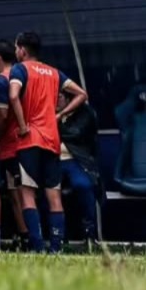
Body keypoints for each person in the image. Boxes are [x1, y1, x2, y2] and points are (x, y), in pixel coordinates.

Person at [7, 31, 88, 253]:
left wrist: (23, 126)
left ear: (22, 50)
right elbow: (81, 94)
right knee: (54, 195)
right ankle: (56, 247)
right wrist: (59, 115)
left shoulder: (20, 69)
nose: (16, 52)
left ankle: (36, 246)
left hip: (29, 140)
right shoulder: (54, 73)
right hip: (52, 140)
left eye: (17, 48)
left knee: (27, 193)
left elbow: (13, 95)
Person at [0, 40, 27, 251]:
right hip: (26, 143)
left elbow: (3, 115)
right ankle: (29, 234)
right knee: (27, 193)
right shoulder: (22, 76)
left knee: (17, 196)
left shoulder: (1, 81)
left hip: (10, 146)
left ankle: (25, 237)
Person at [59, 95, 103, 244]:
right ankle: (58, 234)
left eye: (60, 97)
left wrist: (56, 120)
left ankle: (89, 234)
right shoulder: (46, 111)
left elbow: (75, 133)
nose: (56, 100)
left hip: (76, 161)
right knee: (48, 190)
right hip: (52, 161)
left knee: (83, 185)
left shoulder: (84, 113)